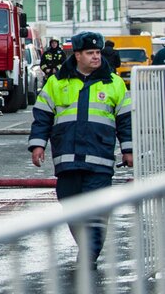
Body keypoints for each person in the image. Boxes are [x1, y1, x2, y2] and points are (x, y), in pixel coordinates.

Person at [29, 31, 133, 269]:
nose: (96, 56)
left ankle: (88, 257)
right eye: (90, 53)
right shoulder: (57, 82)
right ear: (77, 55)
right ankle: (86, 248)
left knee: (97, 211)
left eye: (98, 52)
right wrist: (38, 144)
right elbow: (42, 116)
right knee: (71, 207)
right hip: (67, 159)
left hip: (100, 159)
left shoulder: (114, 83)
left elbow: (125, 120)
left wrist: (128, 150)